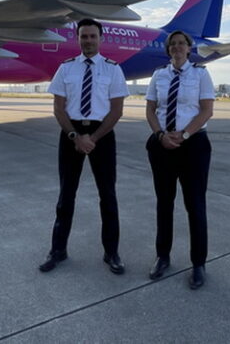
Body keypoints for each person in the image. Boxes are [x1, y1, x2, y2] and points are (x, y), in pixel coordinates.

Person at [39, 18, 130, 274]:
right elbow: (58, 108)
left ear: (100, 39)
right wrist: (75, 137)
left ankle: (111, 252)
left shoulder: (113, 69)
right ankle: (58, 250)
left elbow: (116, 111)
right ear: (78, 39)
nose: (88, 40)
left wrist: (93, 138)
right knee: (65, 196)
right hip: (71, 135)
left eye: (92, 36)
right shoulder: (66, 69)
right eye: (83, 36)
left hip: (102, 135)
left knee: (108, 197)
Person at [145, 30, 215, 289]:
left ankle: (198, 263)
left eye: (181, 44)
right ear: (168, 49)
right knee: (164, 204)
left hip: (193, 145)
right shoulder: (158, 75)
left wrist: (184, 135)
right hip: (162, 144)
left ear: (189, 48)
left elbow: (207, 110)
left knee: (195, 206)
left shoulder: (200, 74)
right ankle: (162, 256)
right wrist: (160, 134)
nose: (176, 47)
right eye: (172, 44)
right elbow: (151, 109)